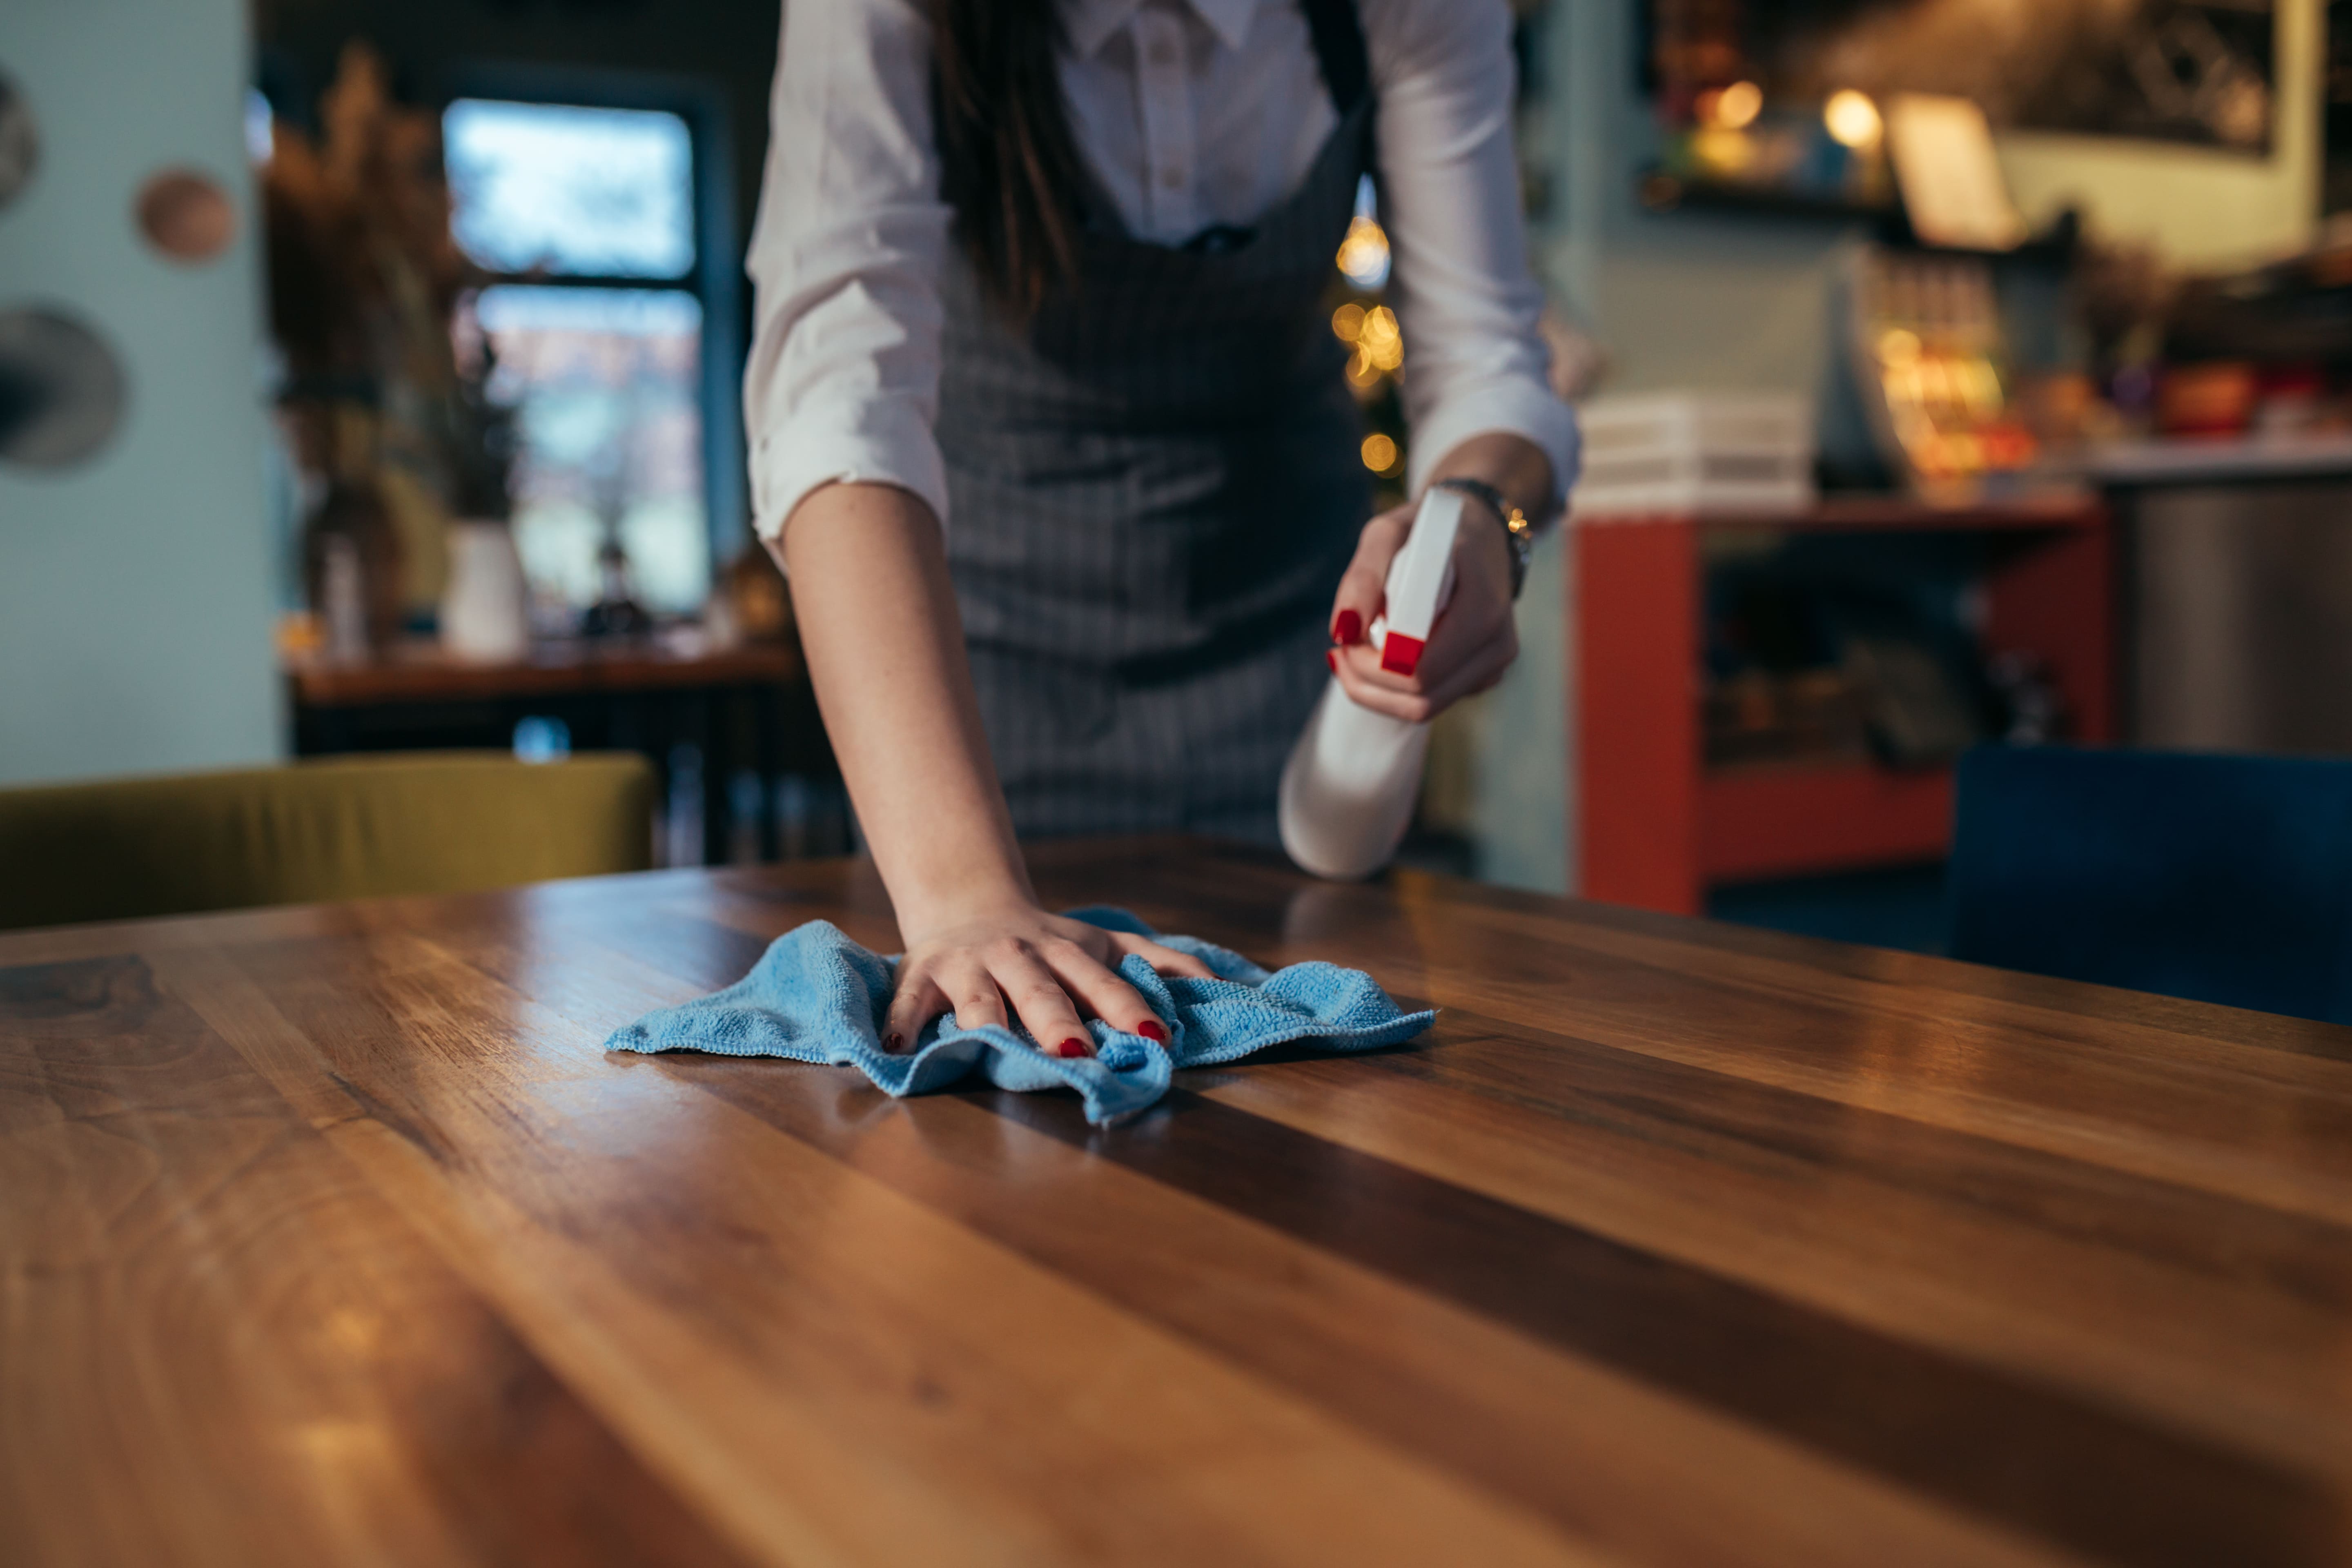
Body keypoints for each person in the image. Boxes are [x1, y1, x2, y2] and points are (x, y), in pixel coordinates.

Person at [746, 0, 1578, 1059]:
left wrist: (1480, 515)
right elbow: (835, 392)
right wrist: (961, 889)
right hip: (970, 694)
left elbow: (1487, 361)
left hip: (1289, 652)